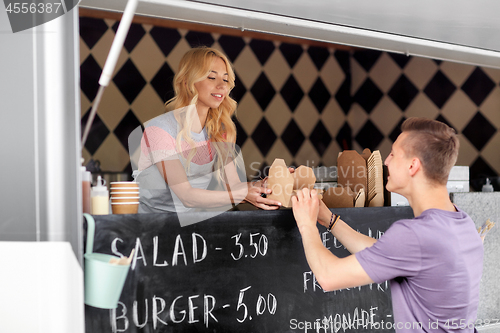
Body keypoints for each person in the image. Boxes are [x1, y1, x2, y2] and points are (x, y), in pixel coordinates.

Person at [291, 117, 483, 332]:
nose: (386, 162)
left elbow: (328, 276)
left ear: (413, 165)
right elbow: (383, 252)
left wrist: (306, 224)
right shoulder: (462, 223)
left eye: (393, 154)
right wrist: (329, 220)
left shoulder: (415, 235)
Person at [134, 46, 281, 214]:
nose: (221, 86)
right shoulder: (160, 130)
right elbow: (186, 196)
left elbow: (235, 186)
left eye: (225, 80)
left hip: (179, 226)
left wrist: (264, 186)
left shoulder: (219, 132)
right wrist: (241, 194)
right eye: (211, 77)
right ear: (187, 81)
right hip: (136, 224)